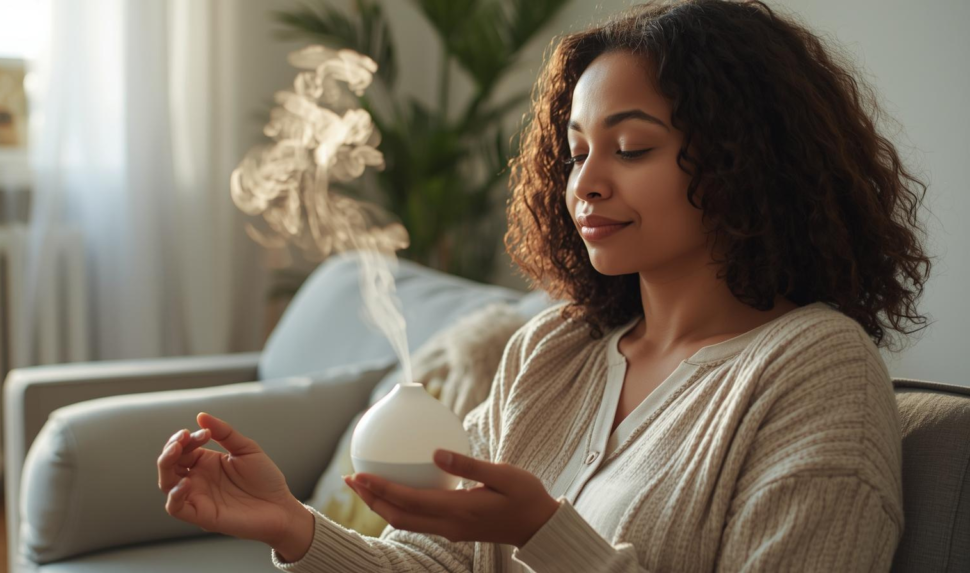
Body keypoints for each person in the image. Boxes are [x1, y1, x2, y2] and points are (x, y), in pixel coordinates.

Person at [156, 0, 932, 570]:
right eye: (575, 151)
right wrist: (290, 523)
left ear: (747, 160)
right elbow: (434, 562)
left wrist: (544, 533)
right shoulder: (557, 350)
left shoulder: (817, 371)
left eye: (631, 147)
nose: (584, 184)